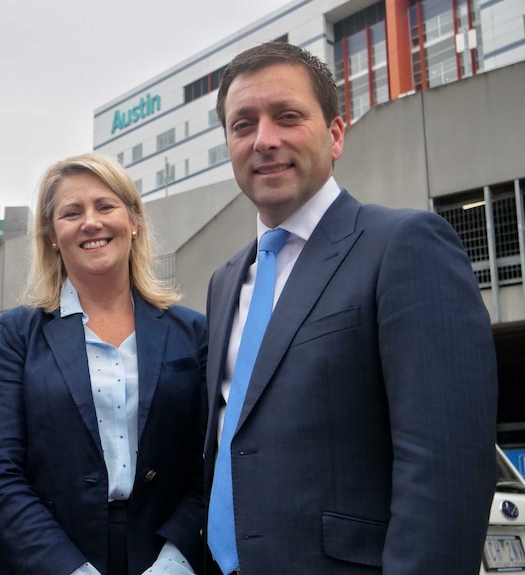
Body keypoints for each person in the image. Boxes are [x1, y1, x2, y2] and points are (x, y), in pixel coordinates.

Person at [203, 42, 497, 574]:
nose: (264, 140)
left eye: (287, 117)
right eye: (242, 125)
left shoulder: (404, 246)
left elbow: (444, 468)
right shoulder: (225, 282)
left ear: (336, 134)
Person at [0, 153, 207, 574]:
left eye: (105, 206)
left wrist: (175, 562)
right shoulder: (18, 334)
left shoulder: (193, 332)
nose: (91, 222)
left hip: (163, 559)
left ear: (134, 219)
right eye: (72, 212)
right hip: (46, 563)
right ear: (52, 236)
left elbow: (212, 462)